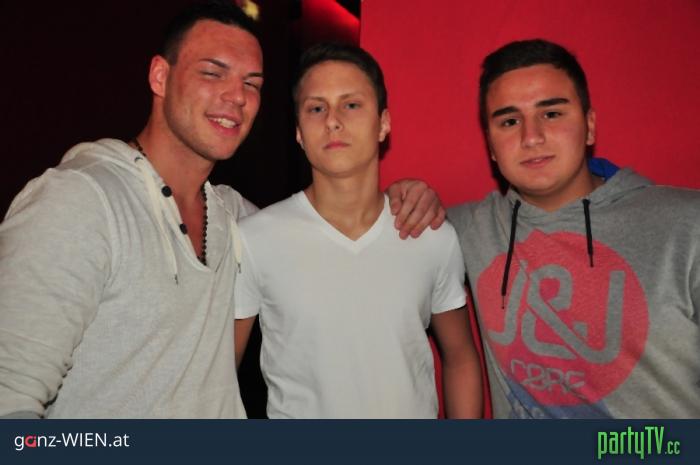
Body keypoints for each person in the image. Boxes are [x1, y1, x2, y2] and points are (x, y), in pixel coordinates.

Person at [0, 1, 442, 419]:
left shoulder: (236, 218)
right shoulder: (80, 201)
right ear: (160, 77)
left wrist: (403, 198)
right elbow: (11, 398)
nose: (237, 96)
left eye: (252, 84)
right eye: (213, 73)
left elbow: (319, 227)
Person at [448, 38, 700, 418]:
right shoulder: (464, 229)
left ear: (590, 126)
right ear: (491, 146)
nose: (531, 137)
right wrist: (409, 193)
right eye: (510, 121)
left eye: (551, 114)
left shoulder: (688, 225)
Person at [234, 42, 483, 419]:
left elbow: (461, 356)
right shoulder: (255, 240)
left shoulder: (430, 236)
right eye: (316, 108)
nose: (333, 120)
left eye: (351, 104)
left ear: (383, 123)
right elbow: (218, 375)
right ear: (299, 132)